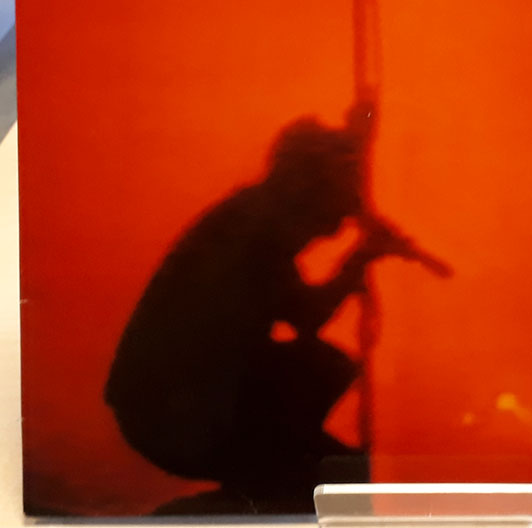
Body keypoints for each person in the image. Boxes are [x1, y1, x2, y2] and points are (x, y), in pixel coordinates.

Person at [105, 108, 416, 513]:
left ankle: (260, 484)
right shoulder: (253, 234)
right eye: (336, 204)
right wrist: (358, 260)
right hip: (174, 411)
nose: (341, 217)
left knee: (333, 427)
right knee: (322, 396)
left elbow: (302, 313)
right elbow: (307, 316)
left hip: (172, 402)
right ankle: (245, 496)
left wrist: (354, 139)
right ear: (307, 190)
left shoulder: (252, 220)